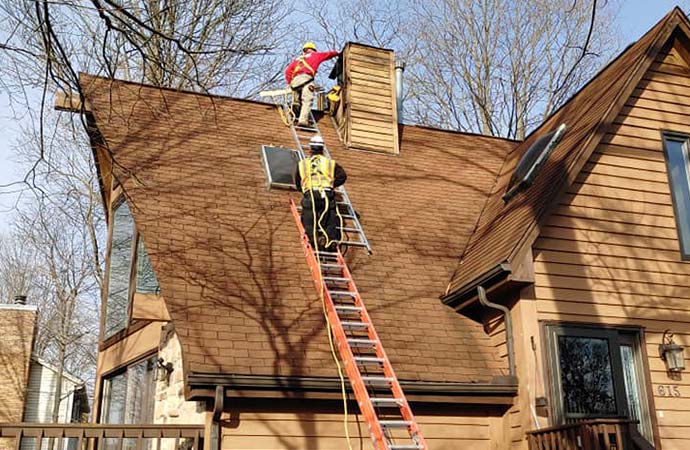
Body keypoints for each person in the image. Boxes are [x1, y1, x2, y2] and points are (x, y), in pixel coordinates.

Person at [294, 136, 347, 251]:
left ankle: (313, 241)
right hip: (326, 195)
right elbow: (342, 176)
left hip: (311, 194)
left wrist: (303, 189)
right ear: (322, 149)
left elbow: (297, 181)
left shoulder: (303, 164)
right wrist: (332, 184)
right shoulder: (330, 163)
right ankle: (330, 240)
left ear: (310, 149)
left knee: (309, 217)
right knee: (329, 217)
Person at [285, 42, 339, 126]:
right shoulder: (315, 55)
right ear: (313, 49)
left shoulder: (297, 59)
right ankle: (302, 120)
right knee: (307, 100)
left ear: (304, 50)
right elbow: (328, 54)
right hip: (306, 79)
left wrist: (290, 83)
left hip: (295, 82)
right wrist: (337, 53)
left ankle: (293, 117)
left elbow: (288, 71)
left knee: (296, 101)